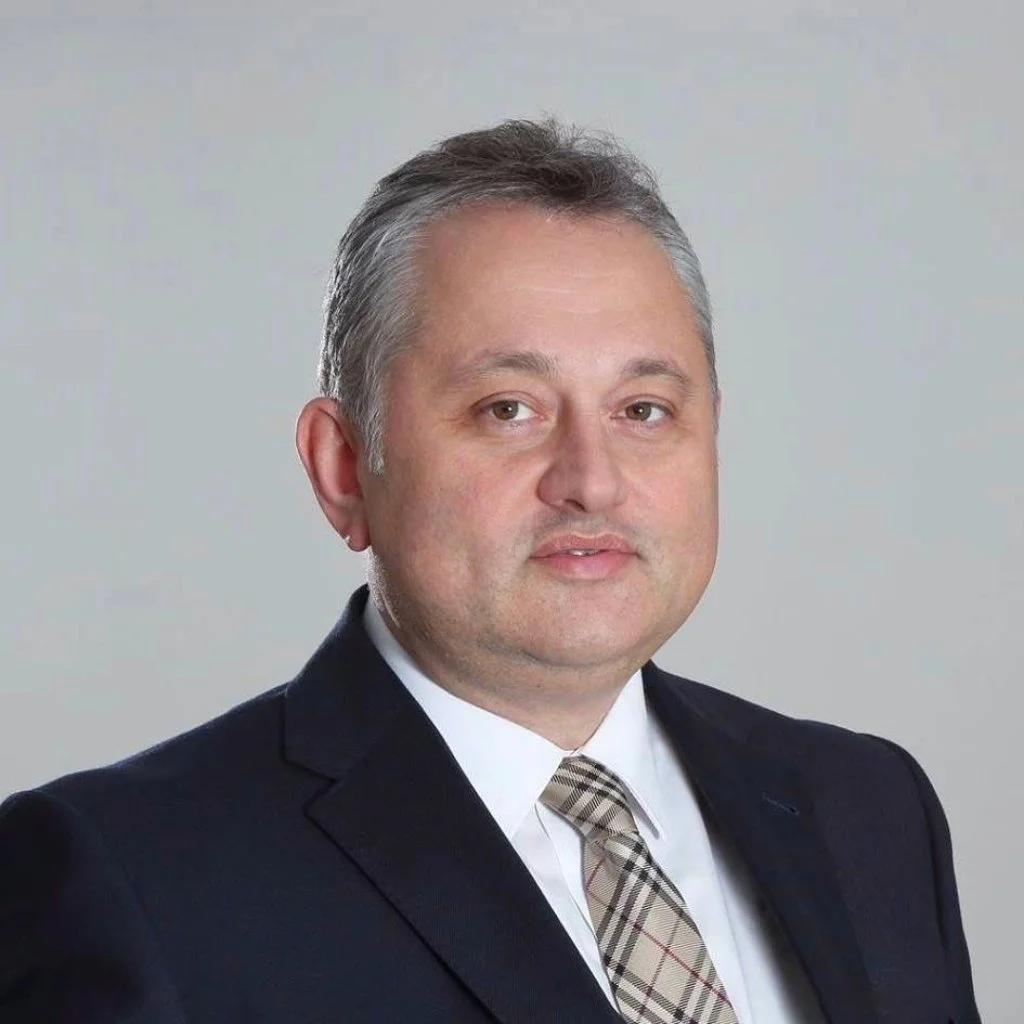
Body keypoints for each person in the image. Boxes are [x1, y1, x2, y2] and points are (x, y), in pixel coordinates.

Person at [0, 120, 980, 1023]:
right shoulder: (129, 877)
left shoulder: (868, 807)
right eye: (507, 409)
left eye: (643, 410)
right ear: (344, 467)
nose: (591, 481)